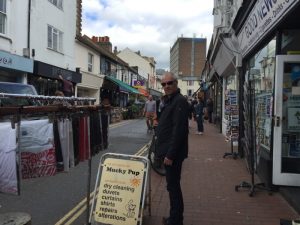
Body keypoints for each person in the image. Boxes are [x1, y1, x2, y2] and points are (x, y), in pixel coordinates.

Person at [155, 72, 189, 225]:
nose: (166, 86)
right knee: (172, 186)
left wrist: (170, 154)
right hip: (168, 151)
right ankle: (174, 218)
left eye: (169, 83)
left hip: (172, 154)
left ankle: (176, 220)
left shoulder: (179, 101)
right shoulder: (169, 101)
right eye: (163, 84)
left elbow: (179, 130)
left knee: (173, 187)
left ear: (176, 83)